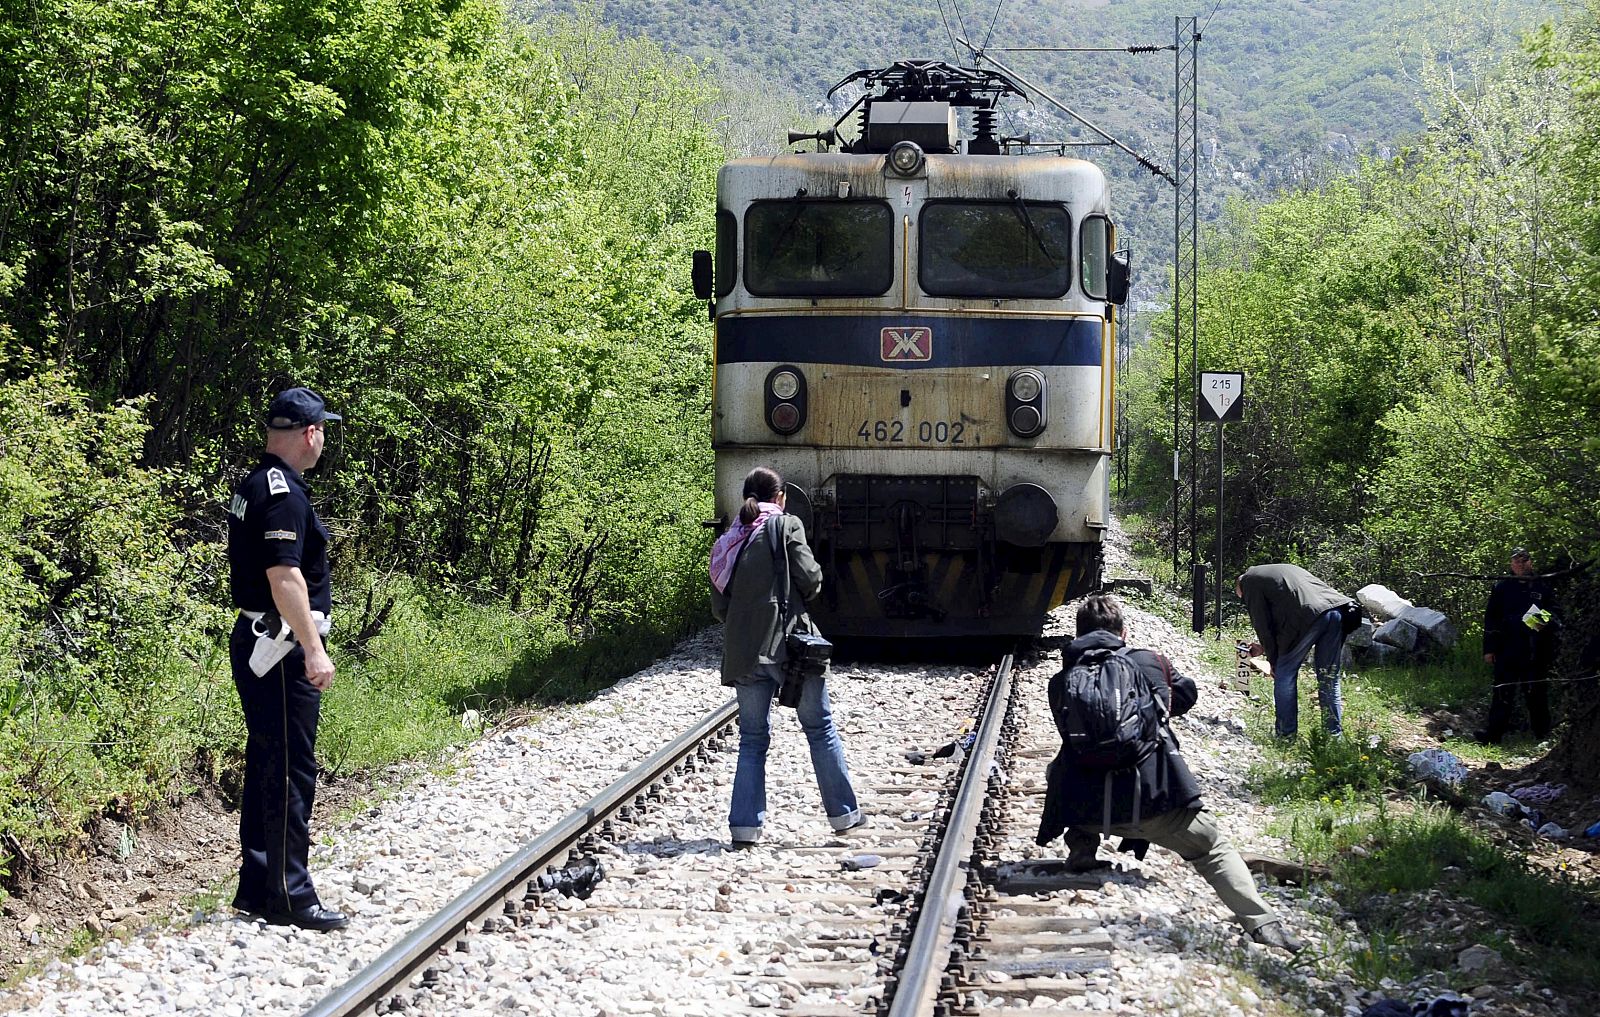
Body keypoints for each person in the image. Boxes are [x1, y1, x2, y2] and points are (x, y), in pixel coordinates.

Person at [1037, 594, 1303, 953]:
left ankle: (1082, 845)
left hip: (1085, 808)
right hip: (1156, 805)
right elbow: (1187, 695)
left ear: (1078, 634)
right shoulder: (1150, 661)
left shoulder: (1062, 680)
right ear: (1123, 633)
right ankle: (1263, 925)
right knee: (1212, 848)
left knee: (1061, 767)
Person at [225, 387, 348, 931]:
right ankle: (290, 895)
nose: (323, 440)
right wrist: (314, 649)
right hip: (279, 647)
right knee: (290, 771)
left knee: (268, 763)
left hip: (260, 638)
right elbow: (285, 578)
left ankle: (260, 887)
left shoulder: (257, 483)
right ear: (310, 433)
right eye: (323, 431)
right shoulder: (283, 496)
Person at [709, 467, 863, 847]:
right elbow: (811, 580)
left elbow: (719, 608)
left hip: (744, 651)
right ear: (780, 498)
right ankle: (843, 815)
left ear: (745, 496)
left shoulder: (728, 540)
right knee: (819, 727)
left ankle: (745, 828)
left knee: (752, 738)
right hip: (790, 647)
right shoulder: (786, 525)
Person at [1236, 563, 1360, 739]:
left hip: (1308, 616)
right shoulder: (1276, 572)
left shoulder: (1249, 581)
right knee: (1329, 678)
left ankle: (1286, 735)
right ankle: (1333, 736)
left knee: (1284, 674)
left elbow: (1262, 624)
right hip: (1336, 611)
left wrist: (1273, 661)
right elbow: (1285, 613)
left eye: (1243, 598)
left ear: (1240, 586)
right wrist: (1263, 648)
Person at [1475, 547, 1557, 744]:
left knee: (1536, 693)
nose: (1520, 564)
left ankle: (1542, 736)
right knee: (1502, 693)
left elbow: (1554, 612)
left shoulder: (1542, 585)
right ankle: (1493, 736)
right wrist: (1489, 649)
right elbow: (1491, 619)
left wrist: (1533, 622)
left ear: (1530, 562)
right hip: (1506, 648)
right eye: (1516, 561)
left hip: (1535, 649)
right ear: (1511, 564)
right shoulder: (1502, 586)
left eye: (1524, 560)